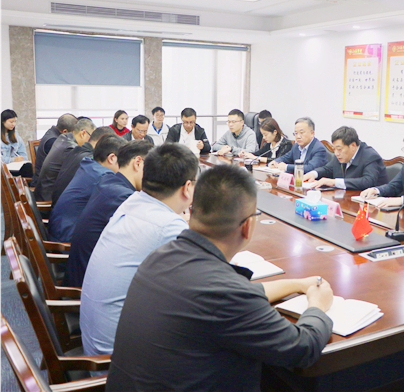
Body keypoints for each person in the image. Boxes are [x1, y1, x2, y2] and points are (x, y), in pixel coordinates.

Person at [105, 164, 334, 391]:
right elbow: (302, 348)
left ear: (192, 212)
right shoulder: (226, 293)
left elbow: (235, 296)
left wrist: (298, 285)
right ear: (247, 226)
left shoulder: (161, 256)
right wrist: (317, 306)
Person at [81, 143, 197, 356]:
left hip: (96, 343)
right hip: (116, 361)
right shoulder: (169, 226)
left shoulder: (133, 201)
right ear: (187, 187)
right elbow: (208, 292)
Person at [64, 140, 154, 287]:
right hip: (88, 286)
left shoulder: (110, 181)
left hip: (86, 274)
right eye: (152, 168)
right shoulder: (123, 197)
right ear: (138, 163)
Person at [48, 135, 126, 243]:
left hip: (59, 232)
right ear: (112, 158)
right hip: (67, 239)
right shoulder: (104, 176)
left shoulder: (90, 166)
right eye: (124, 161)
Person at [303, 126, 388, 191]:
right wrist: (313, 174)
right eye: (334, 149)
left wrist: (334, 182)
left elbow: (367, 181)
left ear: (353, 146)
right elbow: (328, 169)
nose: (336, 153)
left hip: (370, 205)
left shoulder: (370, 156)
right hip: (346, 198)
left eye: (339, 149)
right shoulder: (340, 155)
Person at [34, 117, 96, 202]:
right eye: (91, 137)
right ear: (83, 133)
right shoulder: (71, 148)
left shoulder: (63, 137)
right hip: (48, 199)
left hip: (45, 192)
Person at [51, 126, 115, 207]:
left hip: (58, 206)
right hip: (69, 209)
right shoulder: (89, 161)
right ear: (102, 142)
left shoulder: (76, 151)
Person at [31, 113, 78, 187]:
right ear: (65, 132)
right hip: (45, 186)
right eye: (74, 132)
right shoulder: (53, 142)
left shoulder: (52, 133)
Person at [1, 110, 31, 176]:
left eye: (15, 121)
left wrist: (23, 160)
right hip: (4, 168)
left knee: (30, 167)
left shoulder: (15, 135)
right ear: (3, 121)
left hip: (16, 166)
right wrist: (13, 159)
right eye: (11, 122)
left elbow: (23, 153)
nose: (13, 124)